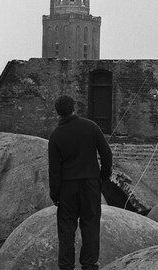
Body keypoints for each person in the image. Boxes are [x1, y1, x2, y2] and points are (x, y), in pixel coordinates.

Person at [48, 94, 113, 270]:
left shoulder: (56, 135)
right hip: (90, 184)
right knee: (91, 225)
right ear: (73, 108)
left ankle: (66, 266)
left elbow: (54, 170)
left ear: (57, 113)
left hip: (67, 187)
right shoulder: (91, 127)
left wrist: (55, 194)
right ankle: (89, 265)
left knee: (66, 230)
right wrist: (102, 177)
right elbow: (107, 154)